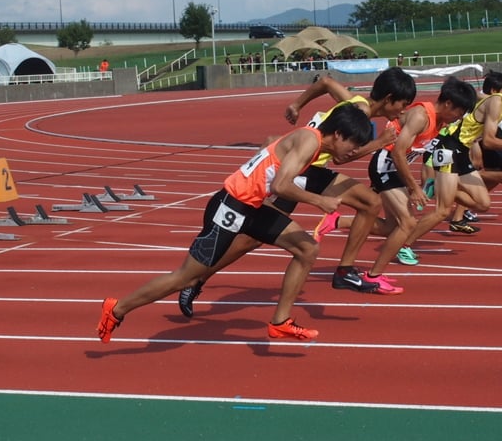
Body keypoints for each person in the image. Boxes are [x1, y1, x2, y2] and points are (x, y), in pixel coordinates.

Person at [97, 104, 374, 343]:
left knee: (307, 249)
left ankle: (280, 323)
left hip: (251, 207)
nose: (354, 152)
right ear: (338, 134)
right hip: (229, 206)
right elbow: (280, 185)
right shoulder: (310, 141)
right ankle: (117, 308)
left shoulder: (310, 142)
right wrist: (319, 201)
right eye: (353, 145)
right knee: (185, 277)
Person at [179, 67, 418, 314]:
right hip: (302, 171)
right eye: (403, 104)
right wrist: (379, 143)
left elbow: (325, 82)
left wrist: (297, 104)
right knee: (248, 239)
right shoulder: (360, 111)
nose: (403, 110)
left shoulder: (354, 101)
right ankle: (196, 277)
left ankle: (345, 271)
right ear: (388, 98)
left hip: (311, 171)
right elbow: (342, 159)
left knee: (369, 203)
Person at [407, 65, 502, 242]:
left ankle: (437, 187)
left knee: (483, 203)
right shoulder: (498, 102)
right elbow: (488, 140)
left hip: (461, 152)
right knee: (443, 210)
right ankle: (404, 245)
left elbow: (477, 118)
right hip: (449, 147)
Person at [364, 76, 476, 276]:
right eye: (459, 112)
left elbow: (423, 153)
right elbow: (398, 153)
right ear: (449, 103)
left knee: (391, 227)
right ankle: (374, 275)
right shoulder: (421, 116)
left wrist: (430, 181)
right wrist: (414, 188)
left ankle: (336, 221)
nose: (459, 118)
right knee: (408, 223)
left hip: (394, 169)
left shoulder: (441, 122)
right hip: (384, 164)